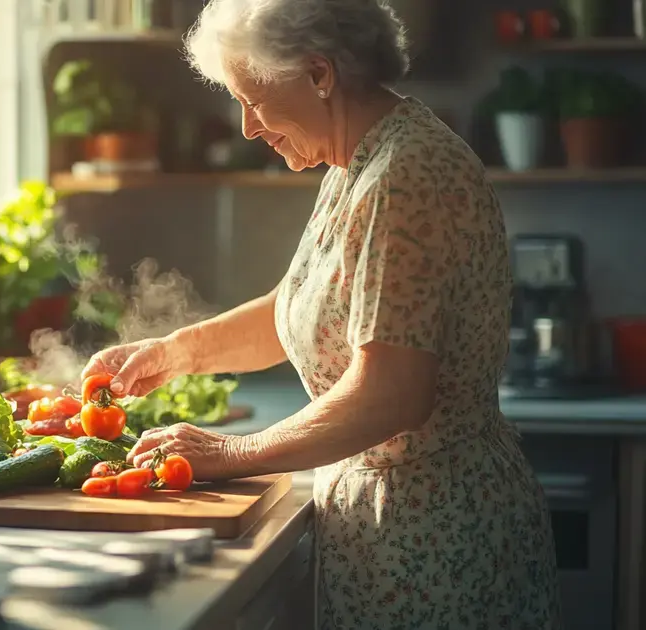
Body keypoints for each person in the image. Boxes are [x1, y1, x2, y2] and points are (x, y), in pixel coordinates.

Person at [81, 0, 561, 628]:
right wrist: (174, 353)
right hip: (395, 533)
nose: (248, 127)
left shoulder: (406, 173)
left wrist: (230, 453)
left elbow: (390, 395)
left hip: (434, 540)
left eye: (252, 99)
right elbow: (301, 304)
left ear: (319, 74)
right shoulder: (359, 159)